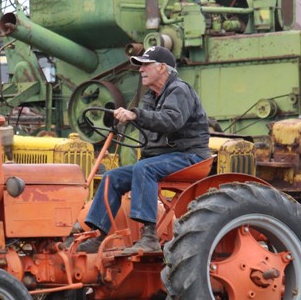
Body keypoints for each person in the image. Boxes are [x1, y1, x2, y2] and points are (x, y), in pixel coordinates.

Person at [79, 46, 211, 254]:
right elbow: (146, 133)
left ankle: (149, 237)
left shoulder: (179, 90)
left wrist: (135, 115)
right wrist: (121, 121)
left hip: (190, 156)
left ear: (162, 68)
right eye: (140, 65)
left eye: (145, 65)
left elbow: (171, 120)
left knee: (144, 168)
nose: (140, 69)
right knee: (113, 177)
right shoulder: (150, 97)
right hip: (164, 158)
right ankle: (97, 235)